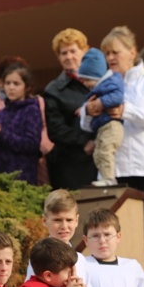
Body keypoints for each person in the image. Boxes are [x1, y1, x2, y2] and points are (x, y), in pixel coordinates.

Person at [91, 26, 144, 287]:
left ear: (132, 52)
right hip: (118, 166)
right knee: (119, 225)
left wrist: (126, 110)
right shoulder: (103, 81)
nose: (111, 57)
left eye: (116, 51)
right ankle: (123, 280)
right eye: (107, 53)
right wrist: (90, 110)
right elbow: (84, 120)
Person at [43, 28, 96, 189]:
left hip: (104, 159)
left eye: (73, 51)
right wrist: (84, 142)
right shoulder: (53, 90)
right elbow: (56, 129)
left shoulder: (101, 79)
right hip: (72, 164)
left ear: (85, 51)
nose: (68, 57)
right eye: (63, 53)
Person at [0, 56, 52, 186]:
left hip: (24, 176)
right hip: (1, 177)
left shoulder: (31, 110)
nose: (11, 87)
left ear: (27, 87)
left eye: (16, 84)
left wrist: (1, 135)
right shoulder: (0, 114)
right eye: (7, 83)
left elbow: (32, 144)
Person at [25, 189, 94, 287]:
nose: (64, 226)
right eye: (57, 220)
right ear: (44, 220)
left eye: (69, 220)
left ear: (76, 220)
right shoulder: (40, 257)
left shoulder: (81, 260)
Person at [78, 47, 125, 186]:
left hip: (111, 126)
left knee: (105, 151)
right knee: (98, 154)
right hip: (102, 127)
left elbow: (117, 97)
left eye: (88, 80)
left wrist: (101, 102)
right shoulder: (99, 88)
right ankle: (104, 177)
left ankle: (109, 179)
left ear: (97, 76)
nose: (86, 84)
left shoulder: (112, 82)